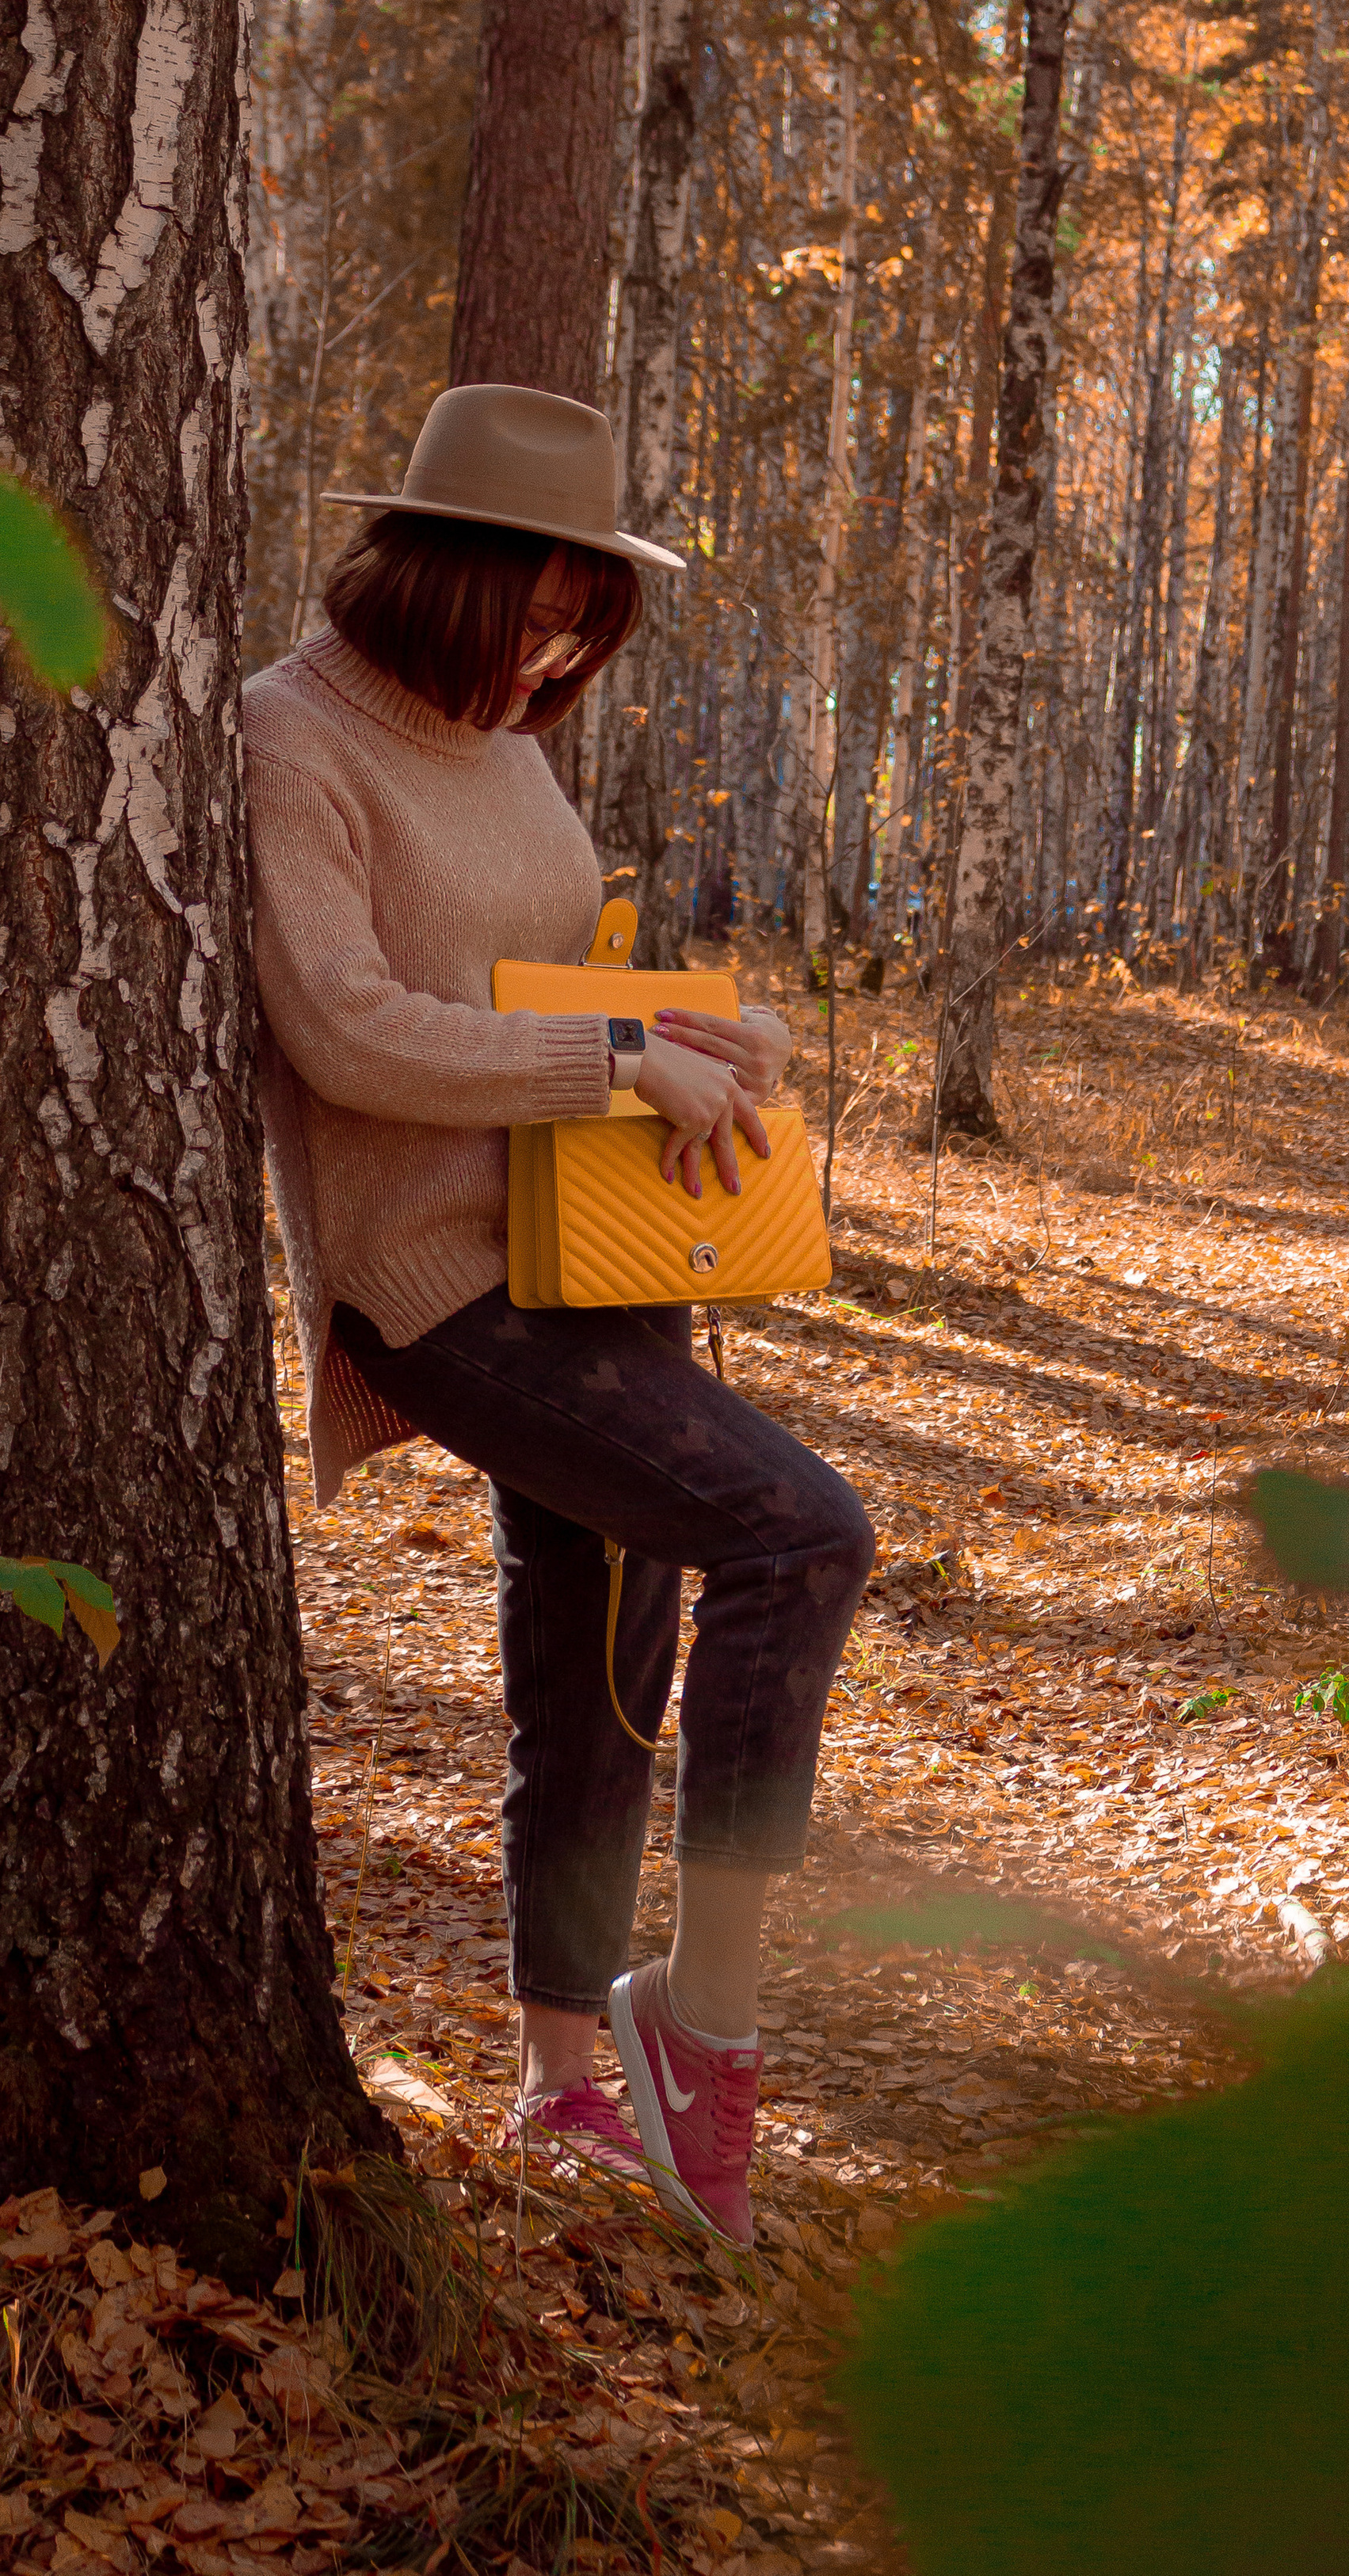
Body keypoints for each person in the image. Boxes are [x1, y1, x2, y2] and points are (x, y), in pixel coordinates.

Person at [244, 383, 875, 2246]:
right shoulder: (291, 738)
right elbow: (345, 1023)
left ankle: (567, 2086)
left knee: (596, 1669)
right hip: (433, 1278)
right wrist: (611, 1057)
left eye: (579, 638)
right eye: (532, 624)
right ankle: (706, 2029)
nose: (549, 666)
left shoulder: (502, 744)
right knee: (800, 1529)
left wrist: (692, 1034)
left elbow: (545, 975)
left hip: (589, 1256)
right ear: (434, 578)